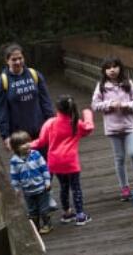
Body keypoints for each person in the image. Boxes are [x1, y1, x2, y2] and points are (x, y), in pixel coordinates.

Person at [31, 95, 95, 225]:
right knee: (75, 188)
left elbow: (41, 142)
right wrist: (87, 114)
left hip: (55, 162)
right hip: (70, 162)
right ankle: (80, 215)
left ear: (57, 109)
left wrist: (27, 145)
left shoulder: (50, 123)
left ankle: (66, 213)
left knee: (63, 187)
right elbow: (88, 129)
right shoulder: (75, 123)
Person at [91, 57, 133, 201]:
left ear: (120, 68)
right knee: (119, 158)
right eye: (108, 68)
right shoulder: (101, 86)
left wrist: (128, 105)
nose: (112, 70)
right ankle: (124, 187)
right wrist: (109, 104)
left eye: (115, 66)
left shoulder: (128, 84)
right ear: (104, 71)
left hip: (129, 126)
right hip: (113, 129)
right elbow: (95, 105)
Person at [0, 42, 54, 143]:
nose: (18, 62)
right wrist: (5, 136)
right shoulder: (2, 82)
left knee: (45, 158)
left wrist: (52, 122)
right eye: (14, 59)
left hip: (41, 131)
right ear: (7, 61)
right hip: (20, 136)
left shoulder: (34, 74)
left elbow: (46, 101)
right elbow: (0, 112)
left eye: (20, 58)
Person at [8, 131, 54, 234]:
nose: (27, 145)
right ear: (15, 147)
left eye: (28, 142)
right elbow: (14, 175)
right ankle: (35, 226)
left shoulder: (36, 155)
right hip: (27, 190)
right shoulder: (14, 161)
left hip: (41, 188)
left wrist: (47, 181)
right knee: (32, 210)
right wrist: (16, 188)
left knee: (44, 209)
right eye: (23, 144)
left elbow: (44, 168)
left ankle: (47, 224)